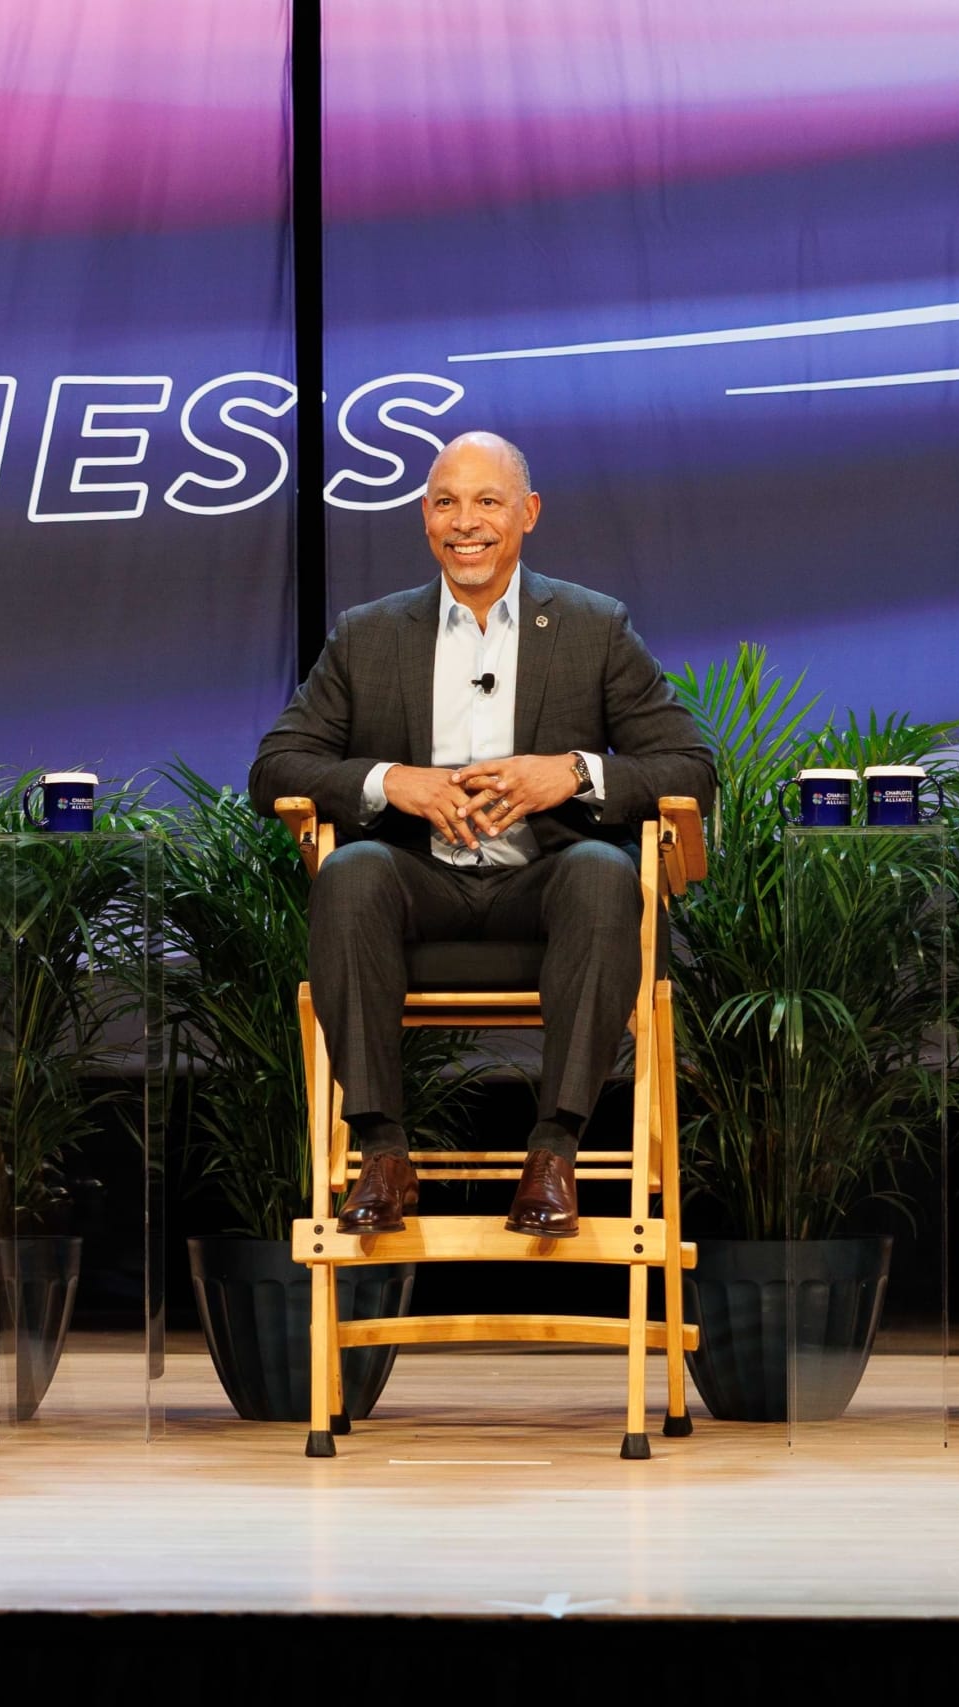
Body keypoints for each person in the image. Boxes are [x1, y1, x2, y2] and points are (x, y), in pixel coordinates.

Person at [250, 431, 716, 1238]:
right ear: (424, 519)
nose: (466, 522)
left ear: (527, 513)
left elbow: (690, 768)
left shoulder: (591, 626)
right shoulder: (368, 633)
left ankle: (554, 1152)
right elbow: (276, 768)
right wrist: (391, 780)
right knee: (351, 871)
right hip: (417, 886)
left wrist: (571, 771)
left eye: (487, 501)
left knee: (606, 873)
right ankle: (384, 1155)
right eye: (445, 502)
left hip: (545, 890)